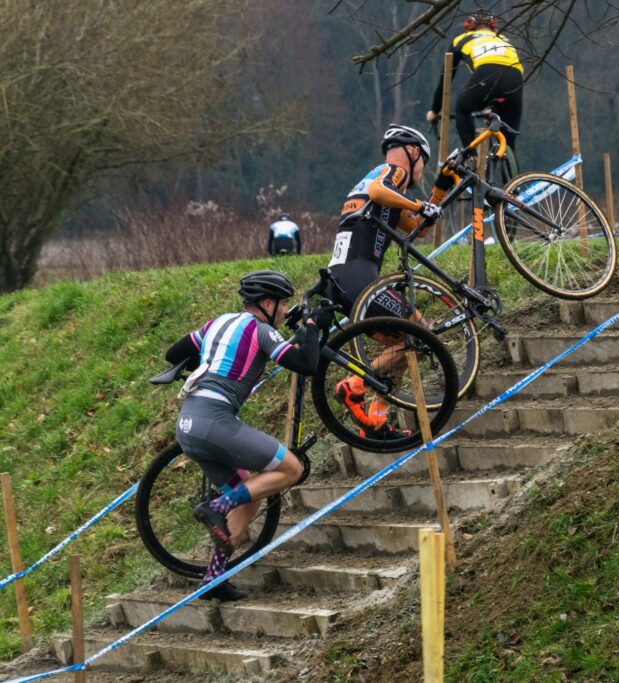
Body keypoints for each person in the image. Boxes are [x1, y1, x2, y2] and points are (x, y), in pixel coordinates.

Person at [164, 270, 319, 601]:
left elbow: (173, 353)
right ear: (266, 303)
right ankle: (217, 505)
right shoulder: (262, 331)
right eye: (282, 305)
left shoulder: (217, 323)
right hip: (215, 422)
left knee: (250, 495)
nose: (283, 311)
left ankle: (213, 578)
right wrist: (311, 329)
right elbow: (306, 363)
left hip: (188, 423)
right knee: (291, 469)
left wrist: (206, 365)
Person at [326, 124, 452, 438]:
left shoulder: (384, 188)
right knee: (421, 333)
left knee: (404, 343)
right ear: (412, 152)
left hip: (344, 280)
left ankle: (377, 422)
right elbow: (380, 192)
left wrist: (439, 191)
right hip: (360, 279)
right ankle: (354, 387)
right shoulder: (391, 171)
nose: (422, 168)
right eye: (423, 160)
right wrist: (419, 203)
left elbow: (418, 229)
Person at [426, 9, 524, 151]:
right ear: (493, 26)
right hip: (515, 78)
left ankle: (470, 157)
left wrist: (435, 110)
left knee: (462, 107)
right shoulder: (503, 39)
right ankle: (511, 168)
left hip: (486, 73)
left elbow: (446, 78)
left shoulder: (461, 39)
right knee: (508, 144)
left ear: (469, 26)